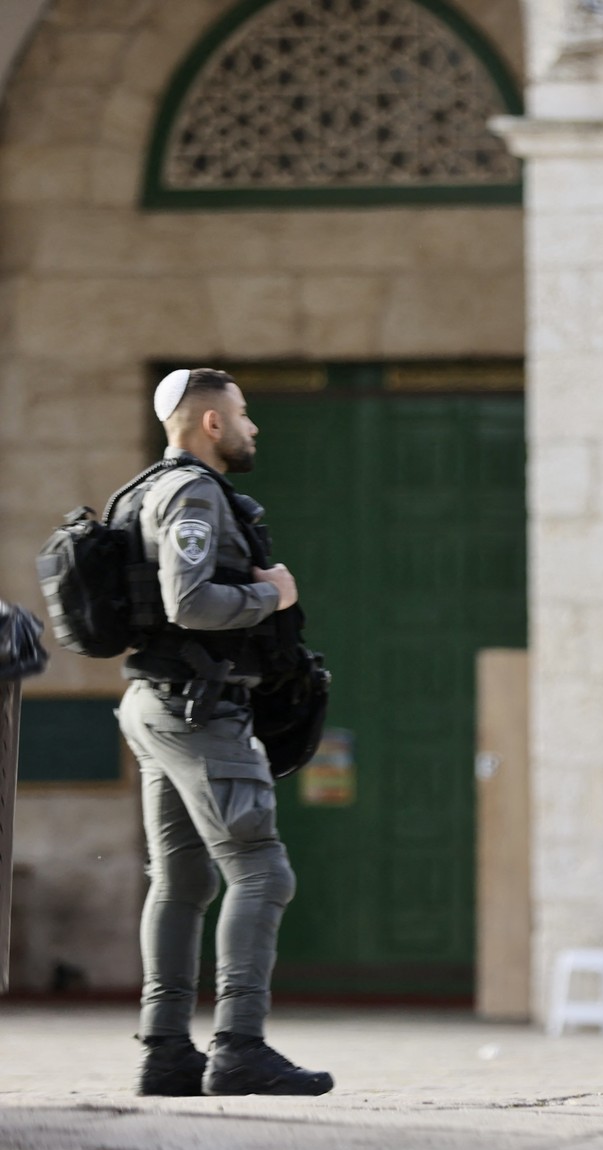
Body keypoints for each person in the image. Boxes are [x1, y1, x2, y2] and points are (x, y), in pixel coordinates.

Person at [124, 368, 332, 1097]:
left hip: (158, 703)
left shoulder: (151, 487)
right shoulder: (192, 492)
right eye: (243, 414)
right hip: (198, 708)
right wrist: (268, 594)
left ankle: (165, 1053)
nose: (254, 427)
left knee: (182, 878)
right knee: (261, 869)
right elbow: (189, 603)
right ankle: (239, 1046)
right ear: (211, 423)